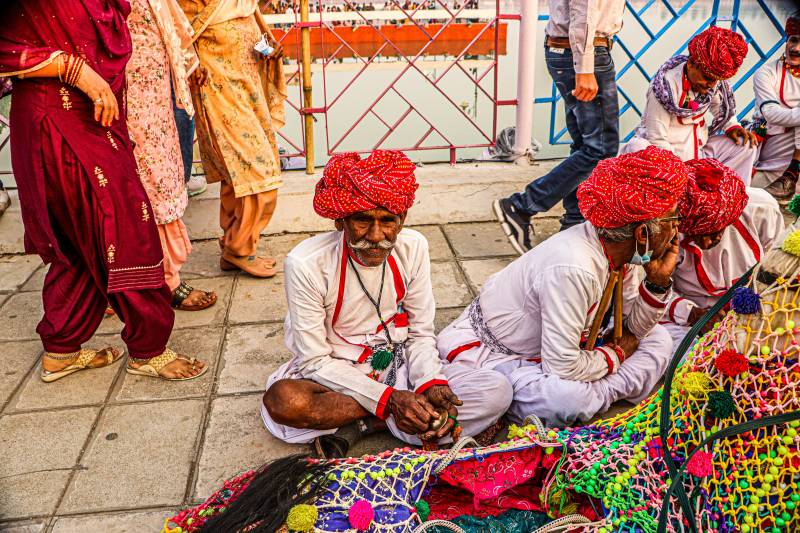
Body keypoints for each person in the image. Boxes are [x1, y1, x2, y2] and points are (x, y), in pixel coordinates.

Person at [0, 0, 206, 382]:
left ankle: (62, 349)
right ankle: (149, 349)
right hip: (55, 115)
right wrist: (74, 69)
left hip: (87, 115)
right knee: (124, 226)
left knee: (80, 237)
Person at [261, 151, 512, 457]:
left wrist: (429, 383)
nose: (376, 236)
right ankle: (398, 416)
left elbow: (420, 334)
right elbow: (314, 360)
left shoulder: (414, 247)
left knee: (497, 391)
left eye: (387, 221)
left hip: (396, 362)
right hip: (334, 373)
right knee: (285, 402)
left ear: (402, 219)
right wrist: (391, 400)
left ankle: (367, 424)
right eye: (362, 221)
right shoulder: (305, 263)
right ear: (340, 221)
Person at [439, 147, 685, 427]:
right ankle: (596, 396)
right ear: (642, 233)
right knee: (567, 399)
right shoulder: (574, 267)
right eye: (672, 219)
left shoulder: (622, 252)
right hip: (499, 356)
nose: (677, 229)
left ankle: (597, 394)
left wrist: (656, 283)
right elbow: (565, 366)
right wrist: (618, 354)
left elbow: (632, 329)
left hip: (570, 353)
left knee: (660, 340)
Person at [493, 0, 627, 254]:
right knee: (600, 149)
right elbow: (584, 9)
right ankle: (522, 205)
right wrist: (585, 67)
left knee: (585, 146)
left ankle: (574, 224)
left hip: (571, 50)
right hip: (583, 53)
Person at [179, 0, 287, 278]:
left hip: (248, 85)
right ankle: (240, 248)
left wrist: (268, 47)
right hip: (217, 89)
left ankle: (233, 246)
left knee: (237, 173)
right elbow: (176, 30)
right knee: (259, 173)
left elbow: (251, 18)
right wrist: (190, 64)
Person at [127, 0, 217, 311]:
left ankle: (161, 276)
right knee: (136, 187)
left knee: (163, 181)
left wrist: (188, 63)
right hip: (123, 90)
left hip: (159, 92)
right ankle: (150, 282)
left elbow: (168, 17)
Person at [661, 158, 784, 347]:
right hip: (693, 315)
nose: (707, 242)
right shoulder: (668, 226)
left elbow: (777, 269)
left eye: (714, 232)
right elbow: (652, 292)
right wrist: (694, 315)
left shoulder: (762, 209)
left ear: (730, 217)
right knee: (670, 346)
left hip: (756, 305)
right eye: (698, 234)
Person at [623, 26, 759, 184]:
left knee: (746, 145)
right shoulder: (665, 87)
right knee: (638, 147)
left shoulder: (712, 82)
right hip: (664, 155)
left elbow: (719, 106)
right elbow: (657, 138)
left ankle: (735, 196)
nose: (711, 84)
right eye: (707, 77)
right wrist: (682, 173)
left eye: (716, 80)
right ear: (692, 63)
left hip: (699, 152)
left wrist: (731, 126)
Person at [751, 13, 800, 199]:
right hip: (772, 162)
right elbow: (771, 114)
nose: (796, 48)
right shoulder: (767, 73)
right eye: (793, 40)